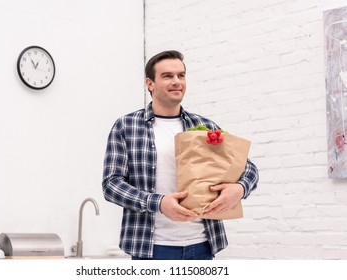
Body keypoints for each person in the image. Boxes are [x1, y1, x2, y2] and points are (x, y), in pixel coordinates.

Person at [102, 50, 259, 260]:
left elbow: (248, 168)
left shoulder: (204, 127)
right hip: (151, 250)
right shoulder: (126, 126)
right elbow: (111, 185)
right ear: (150, 84)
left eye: (181, 75)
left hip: (202, 247)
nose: (177, 81)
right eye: (168, 76)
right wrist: (158, 203)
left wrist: (239, 189)